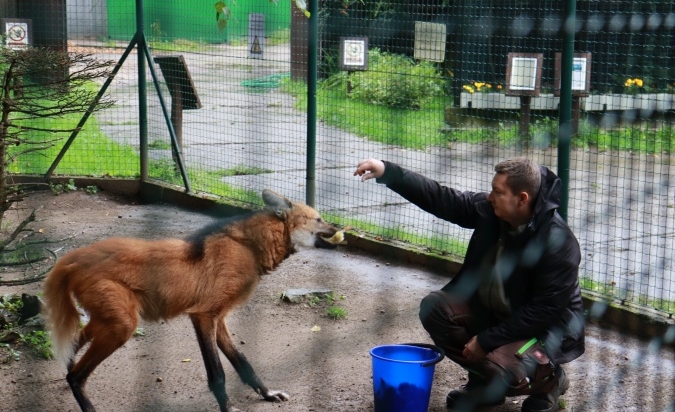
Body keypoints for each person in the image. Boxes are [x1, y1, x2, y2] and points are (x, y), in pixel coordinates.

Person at [353, 158, 585, 412]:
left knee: (502, 369)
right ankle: (486, 384)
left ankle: (549, 382)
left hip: (543, 332)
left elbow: (545, 311)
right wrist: (387, 172)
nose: (489, 196)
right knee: (435, 309)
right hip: (500, 315)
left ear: (522, 199)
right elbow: (441, 198)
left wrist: (486, 340)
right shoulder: (491, 212)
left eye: (498, 192)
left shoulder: (557, 242)